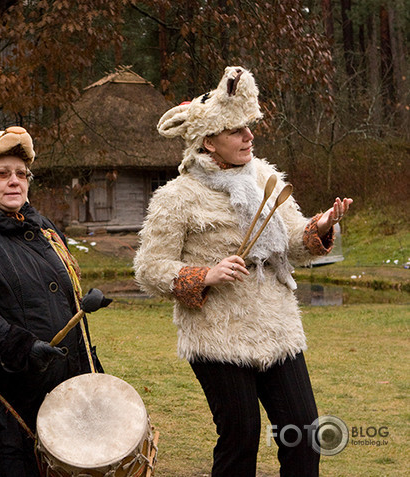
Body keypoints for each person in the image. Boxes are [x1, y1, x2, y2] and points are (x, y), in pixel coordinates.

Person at [134, 66, 352, 477]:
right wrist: (205, 275)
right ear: (208, 141)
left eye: (248, 127)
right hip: (217, 333)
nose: (248, 136)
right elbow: (149, 269)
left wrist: (320, 228)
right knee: (241, 435)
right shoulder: (177, 197)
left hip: (276, 326)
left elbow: (291, 241)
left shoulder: (267, 179)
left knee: (303, 434)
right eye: (236, 130)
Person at [0, 126, 104, 476]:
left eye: (21, 173)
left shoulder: (42, 228)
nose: (14, 181)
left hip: (55, 389)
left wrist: (84, 348)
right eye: (1, 173)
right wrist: (22, 346)